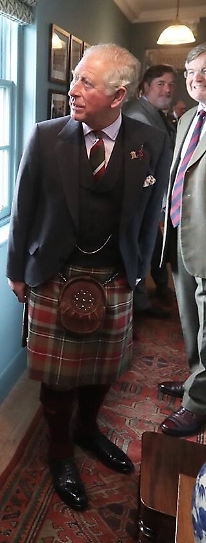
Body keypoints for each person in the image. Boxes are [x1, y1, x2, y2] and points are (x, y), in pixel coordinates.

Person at [6, 44, 170, 511]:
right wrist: (16, 271)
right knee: (58, 377)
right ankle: (60, 451)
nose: (72, 90)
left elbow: (150, 215)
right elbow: (23, 210)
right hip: (54, 273)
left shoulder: (151, 142)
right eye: (75, 77)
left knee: (104, 368)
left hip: (116, 274)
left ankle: (87, 429)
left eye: (86, 82)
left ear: (118, 96)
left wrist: (139, 271)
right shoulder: (46, 137)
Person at [158, 44, 206, 437]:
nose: (196, 79)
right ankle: (197, 381)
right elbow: (180, 172)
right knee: (190, 320)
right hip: (180, 233)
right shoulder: (189, 116)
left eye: (205, 71)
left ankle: (198, 404)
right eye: (190, 72)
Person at [123, 64, 177, 315]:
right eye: (160, 84)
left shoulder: (156, 113)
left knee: (152, 245)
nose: (167, 90)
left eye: (171, 84)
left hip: (155, 193)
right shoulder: (138, 115)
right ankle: (137, 305)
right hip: (141, 195)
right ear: (145, 86)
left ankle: (149, 295)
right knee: (140, 246)